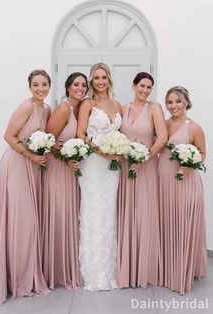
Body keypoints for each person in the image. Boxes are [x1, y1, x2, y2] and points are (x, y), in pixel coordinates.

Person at [0, 70, 51, 305]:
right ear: (29, 86)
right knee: (22, 221)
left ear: (49, 86)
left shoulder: (46, 109)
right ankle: (16, 279)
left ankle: (28, 273)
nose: (40, 88)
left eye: (44, 84)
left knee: (29, 222)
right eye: (36, 85)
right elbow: (9, 136)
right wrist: (30, 155)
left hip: (32, 168)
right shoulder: (26, 107)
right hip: (16, 164)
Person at [117, 72, 167, 288]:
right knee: (126, 213)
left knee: (144, 213)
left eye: (149, 87)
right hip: (125, 166)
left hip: (146, 167)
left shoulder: (154, 108)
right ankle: (127, 266)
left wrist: (144, 158)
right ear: (133, 85)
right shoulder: (123, 108)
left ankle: (145, 267)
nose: (145, 91)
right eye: (142, 86)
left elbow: (162, 138)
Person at [77, 63, 122, 290]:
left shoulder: (116, 104)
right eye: (96, 78)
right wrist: (100, 150)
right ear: (92, 81)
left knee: (109, 211)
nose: (100, 81)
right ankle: (93, 271)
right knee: (93, 210)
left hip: (112, 167)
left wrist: (120, 149)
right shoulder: (88, 104)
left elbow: (121, 133)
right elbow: (80, 134)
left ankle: (110, 268)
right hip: (94, 164)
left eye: (104, 77)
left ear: (109, 79)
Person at [42, 72, 88, 289]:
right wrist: (66, 159)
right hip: (58, 169)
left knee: (70, 215)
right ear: (68, 87)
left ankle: (68, 267)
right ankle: (57, 271)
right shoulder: (63, 108)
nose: (80, 88)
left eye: (83, 85)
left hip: (72, 170)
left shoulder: (78, 109)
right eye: (76, 84)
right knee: (59, 215)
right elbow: (49, 141)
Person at [158, 86, 207, 294]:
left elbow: (202, 153)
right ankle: (167, 269)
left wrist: (190, 166)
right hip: (163, 179)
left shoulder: (194, 128)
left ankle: (183, 271)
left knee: (183, 223)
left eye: (177, 101)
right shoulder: (163, 124)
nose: (173, 106)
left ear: (186, 102)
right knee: (166, 222)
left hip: (185, 181)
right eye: (169, 102)